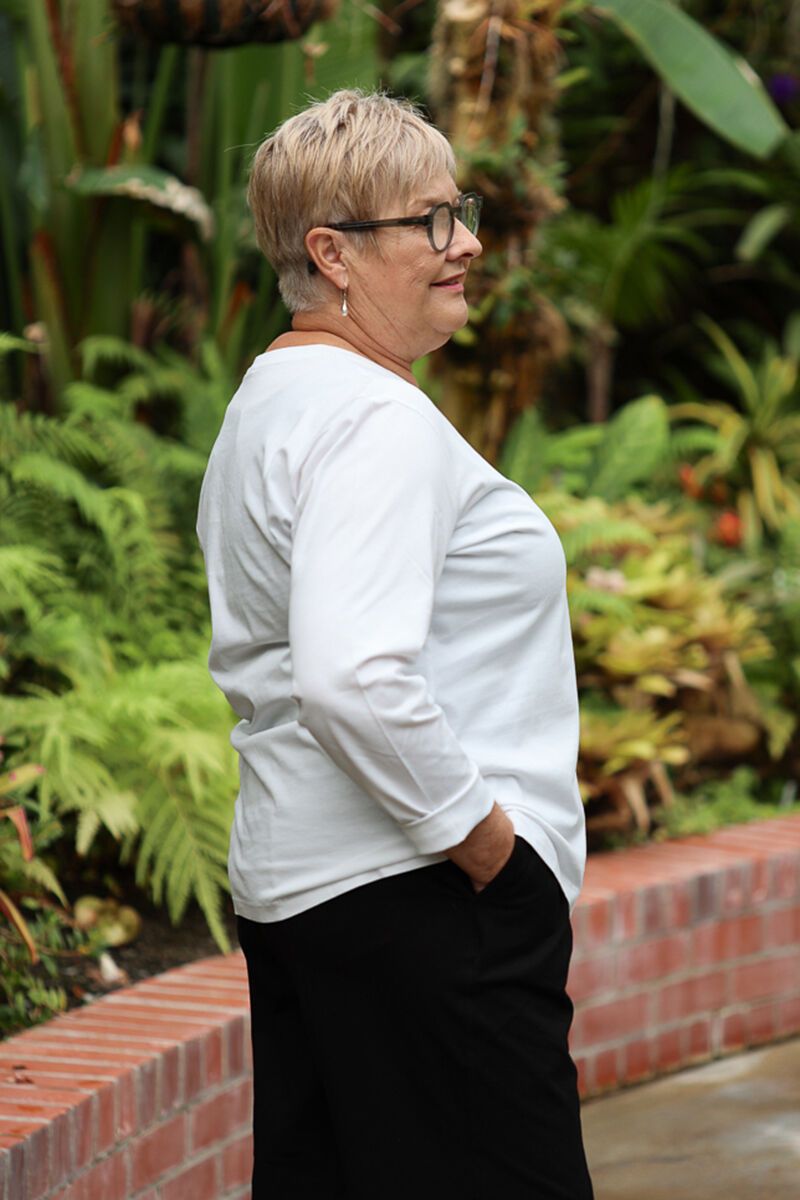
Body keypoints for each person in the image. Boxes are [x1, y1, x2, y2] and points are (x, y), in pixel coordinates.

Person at [196, 88, 594, 1200]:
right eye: (431, 220)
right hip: (427, 904)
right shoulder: (373, 419)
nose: (467, 242)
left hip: (307, 895)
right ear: (332, 253)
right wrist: (491, 851)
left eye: (459, 212)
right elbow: (350, 675)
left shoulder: (270, 401)